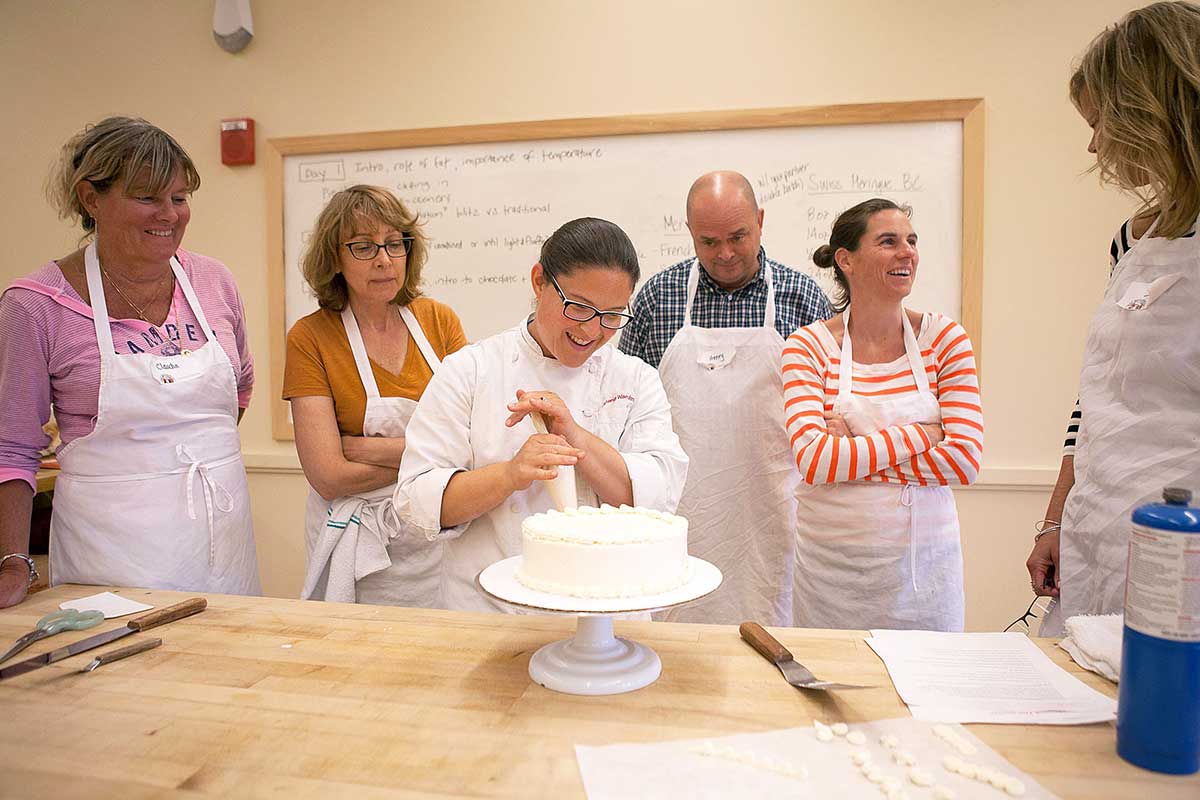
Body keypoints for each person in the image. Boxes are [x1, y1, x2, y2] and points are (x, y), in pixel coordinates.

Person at [0, 116, 260, 607]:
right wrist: (13, 560)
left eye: (179, 198)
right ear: (90, 198)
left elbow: (241, 385)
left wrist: (183, 454)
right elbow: (11, 448)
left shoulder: (214, 281)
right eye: (147, 197)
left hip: (223, 550)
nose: (169, 214)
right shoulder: (34, 304)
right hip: (111, 557)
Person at [394, 217, 688, 612]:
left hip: (607, 613)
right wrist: (510, 474)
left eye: (612, 315)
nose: (593, 331)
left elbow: (654, 499)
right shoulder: (470, 371)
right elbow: (419, 499)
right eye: (579, 308)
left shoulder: (636, 380)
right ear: (539, 281)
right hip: (489, 611)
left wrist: (576, 437)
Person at [1027, 1, 1200, 635]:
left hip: (1184, 546)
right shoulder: (1132, 241)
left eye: (1103, 121)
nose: (1095, 144)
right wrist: (1056, 519)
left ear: (1156, 110)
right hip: (1099, 532)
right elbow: (1095, 399)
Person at [619, 171, 831, 626]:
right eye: (709, 241)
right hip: (679, 516)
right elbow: (622, 409)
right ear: (690, 232)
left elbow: (830, 412)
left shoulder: (802, 298)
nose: (726, 253)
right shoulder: (659, 298)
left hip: (775, 518)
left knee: (775, 634)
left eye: (738, 236)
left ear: (760, 220)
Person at [783, 199, 983, 631]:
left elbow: (965, 460)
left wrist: (852, 448)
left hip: (925, 577)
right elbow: (814, 462)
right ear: (846, 260)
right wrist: (924, 435)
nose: (906, 252)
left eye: (911, 241)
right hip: (831, 579)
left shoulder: (945, 339)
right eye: (888, 242)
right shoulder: (807, 346)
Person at [283, 185, 468, 606]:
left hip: (434, 537)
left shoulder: (438, 321)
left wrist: (367, 450)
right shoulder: (310, 337)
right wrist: (429, 462)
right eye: (364, 247)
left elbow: (472, 445)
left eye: (393, 244)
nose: (384, 259)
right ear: (335, 257)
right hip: (358, 546)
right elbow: (329, 476)